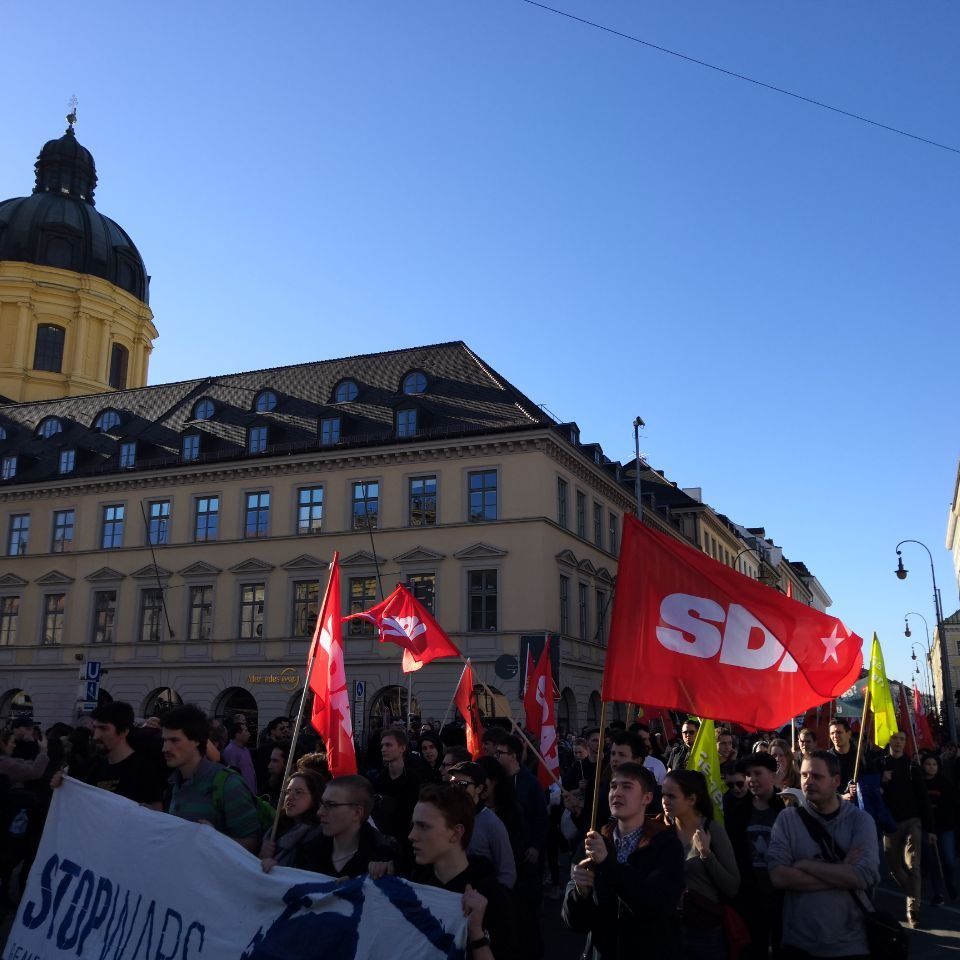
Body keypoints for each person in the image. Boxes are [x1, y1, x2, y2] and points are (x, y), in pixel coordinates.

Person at [563, 762, 684, 958]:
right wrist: (579, 894)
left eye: (627, 787)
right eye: (613, 786)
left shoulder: (666, 845)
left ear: (647, 797)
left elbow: (655, 906)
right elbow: (574, 923)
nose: (617, 793)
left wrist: (608, 865)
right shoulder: (594, 841)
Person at [768, 750, 880, 958]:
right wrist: (842, 872)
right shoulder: (787, 819)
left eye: (817, 776)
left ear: (836, 780)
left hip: (850, 944)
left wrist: (806, 865)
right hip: (799, 944)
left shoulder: (860, 821)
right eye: (804, 775)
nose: (808, 781)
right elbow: (778, 875)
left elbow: (864, 876)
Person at [409, 784, 516, 960]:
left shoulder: (492, 898)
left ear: (456, 833)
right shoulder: (416, 884)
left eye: (423, 826)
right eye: (413, 825)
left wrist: (476, 933)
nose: (412, 835)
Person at [661, 769, 740, 960]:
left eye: (672, 796)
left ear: (691, 799)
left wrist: (706, 854)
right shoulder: (664, 833)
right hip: (670, 928)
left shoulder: (712, 830)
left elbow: (733, 886)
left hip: (706, 930)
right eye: (663, 794)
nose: (665, 801)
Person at [161, 704, 262, 852]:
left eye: (174, 740)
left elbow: (253, 843)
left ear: (196, 740)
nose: (165, 748)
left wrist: (215, 838)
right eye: (164, 740)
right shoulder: (173, 782)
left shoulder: (228, 784)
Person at [725, 751, 785, 959]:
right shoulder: (737, 810)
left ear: (773, 774)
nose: (752, 780)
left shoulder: (787, 808)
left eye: (758, 773)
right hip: (749, 894)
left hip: (782, 895)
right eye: (749, 775)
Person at [495, 735, 546, 958]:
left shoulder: (530, 782)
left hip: (526, 858)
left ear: (513, 756)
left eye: (500, 753)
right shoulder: (497, 782)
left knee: (527, 916)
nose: (495, 757)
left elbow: (541, 818)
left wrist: (536, 846)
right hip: (504, 857)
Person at [881, 730, 932, 926]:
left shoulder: (913, 767)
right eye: (895, 738)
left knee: (913, 865)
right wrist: (881, 779)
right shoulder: (881, 765)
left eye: (902, 739)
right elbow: (871, 793)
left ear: (906, 742)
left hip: (913, 821)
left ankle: (913, 910)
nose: (899, 742)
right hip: (890, 824)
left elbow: (923, 798)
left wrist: (931, 829)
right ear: (889, 740)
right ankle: (913, 892)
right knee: (894, 867)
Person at [84, 701, 166, 808]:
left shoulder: (144, 769)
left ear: (123, 731)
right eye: (95, 728)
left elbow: (156, 814)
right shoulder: (95, 768)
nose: (96, 736)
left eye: (104, 728)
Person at [369, 727, 427, 848]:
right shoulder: (379, 777)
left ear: (402, 748)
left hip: (407, 841)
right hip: (382, 840)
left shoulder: (414, 779)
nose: (383, 749)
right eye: (382, 745)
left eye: (389, 745)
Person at [260, 770, 325, 871]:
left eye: (298, 792)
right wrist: (261, 855)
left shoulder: (317, 836)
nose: (290, 797)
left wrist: (278, 869)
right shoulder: (274, 829)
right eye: (288, 791)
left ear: (314, 798)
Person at [921, 751, 957, 903]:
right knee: (932, 860)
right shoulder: (919, 783)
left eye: (934, 764)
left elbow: (951, 807)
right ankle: (938, 894)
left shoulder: (945, 783)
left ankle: (950, 882)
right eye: (928, 764)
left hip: (945, 828)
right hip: (927, 829)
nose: (931, 767)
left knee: (949, 859)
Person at [222, 715, 257, 793]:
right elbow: (232, 777)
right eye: (246, 731)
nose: (249, 734)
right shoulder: (230, 751)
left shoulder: (245, 749)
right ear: (237, 734)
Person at [827, 718, 856, 795]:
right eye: (832, 733)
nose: (835, 736)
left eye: (839, 732)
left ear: (848, 734)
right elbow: (824, 786)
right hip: (835, 804)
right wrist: (841, 797)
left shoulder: (860, 756)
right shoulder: (826, 759)